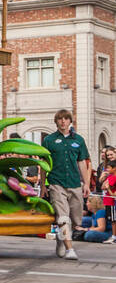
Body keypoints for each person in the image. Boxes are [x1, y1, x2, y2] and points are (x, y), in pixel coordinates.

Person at [42, 109, 90, 261]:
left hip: (75, 183)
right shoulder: (49, 140)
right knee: (63, 218)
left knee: (76, 220)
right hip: (56, 183)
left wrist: (86, 183)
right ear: (56, 122)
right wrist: (43, 184)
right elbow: (43, 163)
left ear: (70, 121)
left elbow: (82, 162)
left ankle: (60, 238)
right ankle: (70, 249)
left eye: (66, 119)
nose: (63, 121)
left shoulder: (79, 140)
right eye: (60, 119)